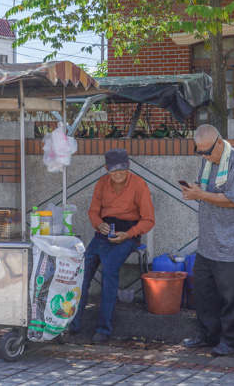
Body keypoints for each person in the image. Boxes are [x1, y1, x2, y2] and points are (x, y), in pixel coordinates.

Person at [180, 124, 234, 356]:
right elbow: (206, 191)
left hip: (233, 245)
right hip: (208, 244)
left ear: (220, 142)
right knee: (204, 294)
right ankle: (208, 335)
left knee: (232, 297)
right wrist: (195, 190)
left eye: (207, 151)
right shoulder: (208, 160)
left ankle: (232, 342)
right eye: (199, 151)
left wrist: (200, 194)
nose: (204, 156)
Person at [69, 147, 155, 343]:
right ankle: (74, 323)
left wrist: (128, 234)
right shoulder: (101, 184)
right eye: (114, 170)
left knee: (109, 272)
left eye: (122, 170)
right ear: (106, 168)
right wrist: (99, 224)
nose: (118, 174)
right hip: (103, 232)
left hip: (129, 234)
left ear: (129, 167)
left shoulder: (140, 185)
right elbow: (93, 212)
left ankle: (103, 329)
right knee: (82, 271)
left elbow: (148, 221)